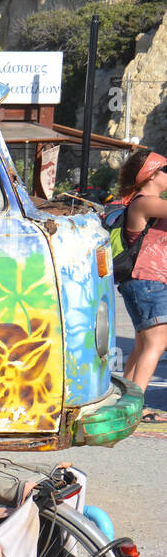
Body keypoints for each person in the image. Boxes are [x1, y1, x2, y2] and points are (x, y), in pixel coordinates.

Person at [116, 148, 167, 422]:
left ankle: (124, 403)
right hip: (148, 280)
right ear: (151, 174)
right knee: (156, 343)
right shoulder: (143, 202)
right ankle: (133, 410)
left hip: (147, 281)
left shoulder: (149, 201)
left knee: (142, 344)